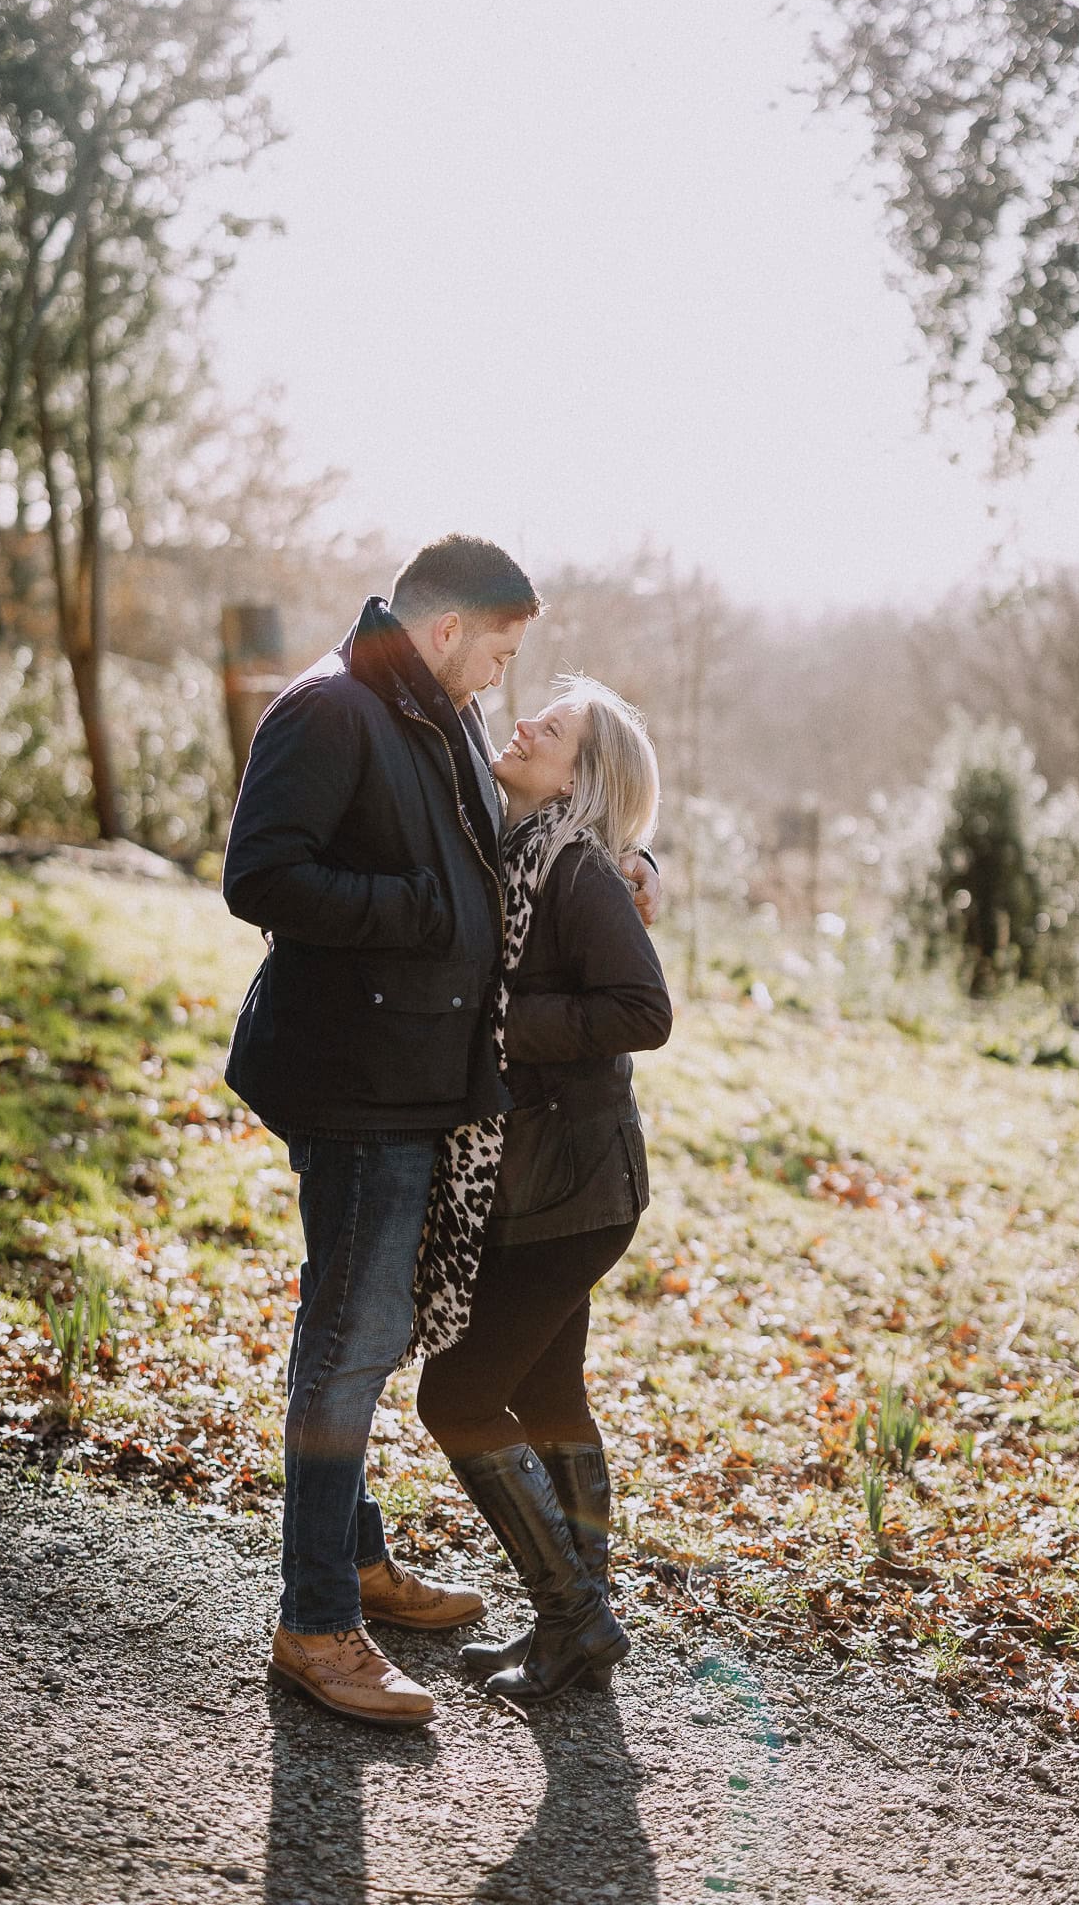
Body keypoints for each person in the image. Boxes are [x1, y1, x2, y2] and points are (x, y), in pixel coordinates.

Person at [222, 535, 660, 1730]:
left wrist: (628, 861)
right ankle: (322, 1619)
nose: (503, 691)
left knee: (365, 1341)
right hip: (359, 1086)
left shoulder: (437, 713)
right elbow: (261, 875)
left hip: (457, 1112)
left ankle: (382, 1569)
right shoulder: (330, 709)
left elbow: (546, 860)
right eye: (501, 656)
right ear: (453, 628)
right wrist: (418, 916)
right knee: (354, 1345)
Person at [416, 678, 671, 1705]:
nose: (523, 725)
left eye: (551, 728)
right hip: (552, 1183)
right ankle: (576, 1624)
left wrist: (510, 1027)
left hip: (575, 1185)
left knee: (460, 1395)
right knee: (551, 1395)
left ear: (581, 775)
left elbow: (642, 1007)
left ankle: (575, 1611)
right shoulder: (528, 854)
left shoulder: (572, 870)